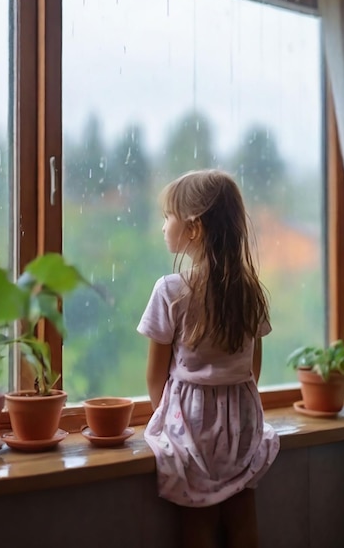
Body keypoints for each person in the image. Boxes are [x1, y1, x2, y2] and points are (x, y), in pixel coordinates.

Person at [137, 169, 280, 548]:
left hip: (195, 424)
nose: (163, 226)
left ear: (194, 229)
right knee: (243, 521)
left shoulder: (171, 290)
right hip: (243, 419)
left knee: (197, 527)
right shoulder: (250, 290)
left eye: (168, 217)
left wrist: (169, 420)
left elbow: (155, 376)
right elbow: (254, 367)